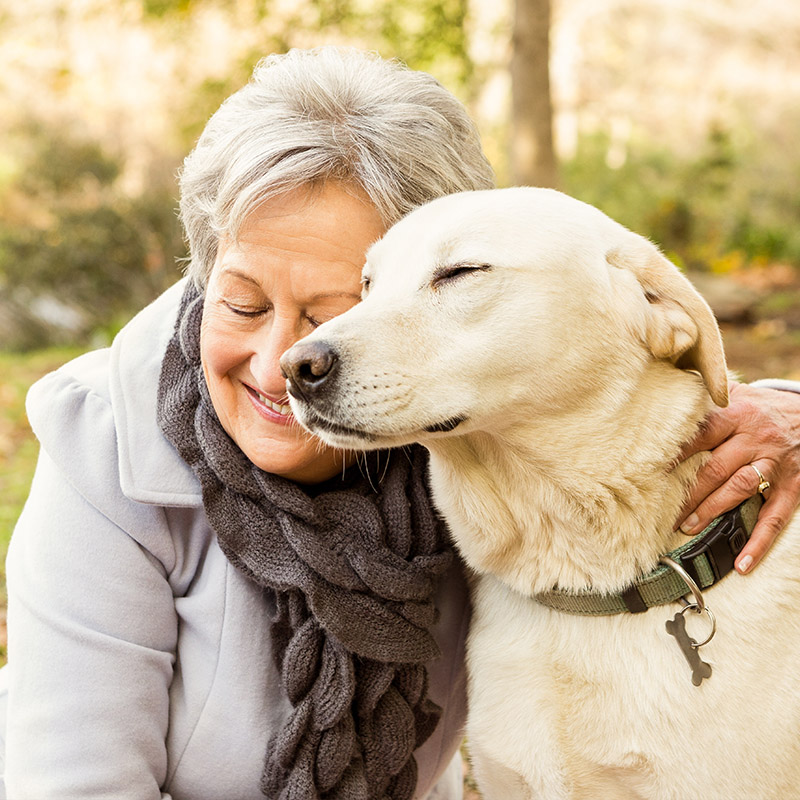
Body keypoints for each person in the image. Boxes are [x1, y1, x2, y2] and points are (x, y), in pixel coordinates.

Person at [1, 46, 799, 800]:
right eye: (241, 301)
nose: (292, 356)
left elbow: (580, 362)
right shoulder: (106, 447)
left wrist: (784, 410)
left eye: (336, 308)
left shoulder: (459, 430)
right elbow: (71, 783)